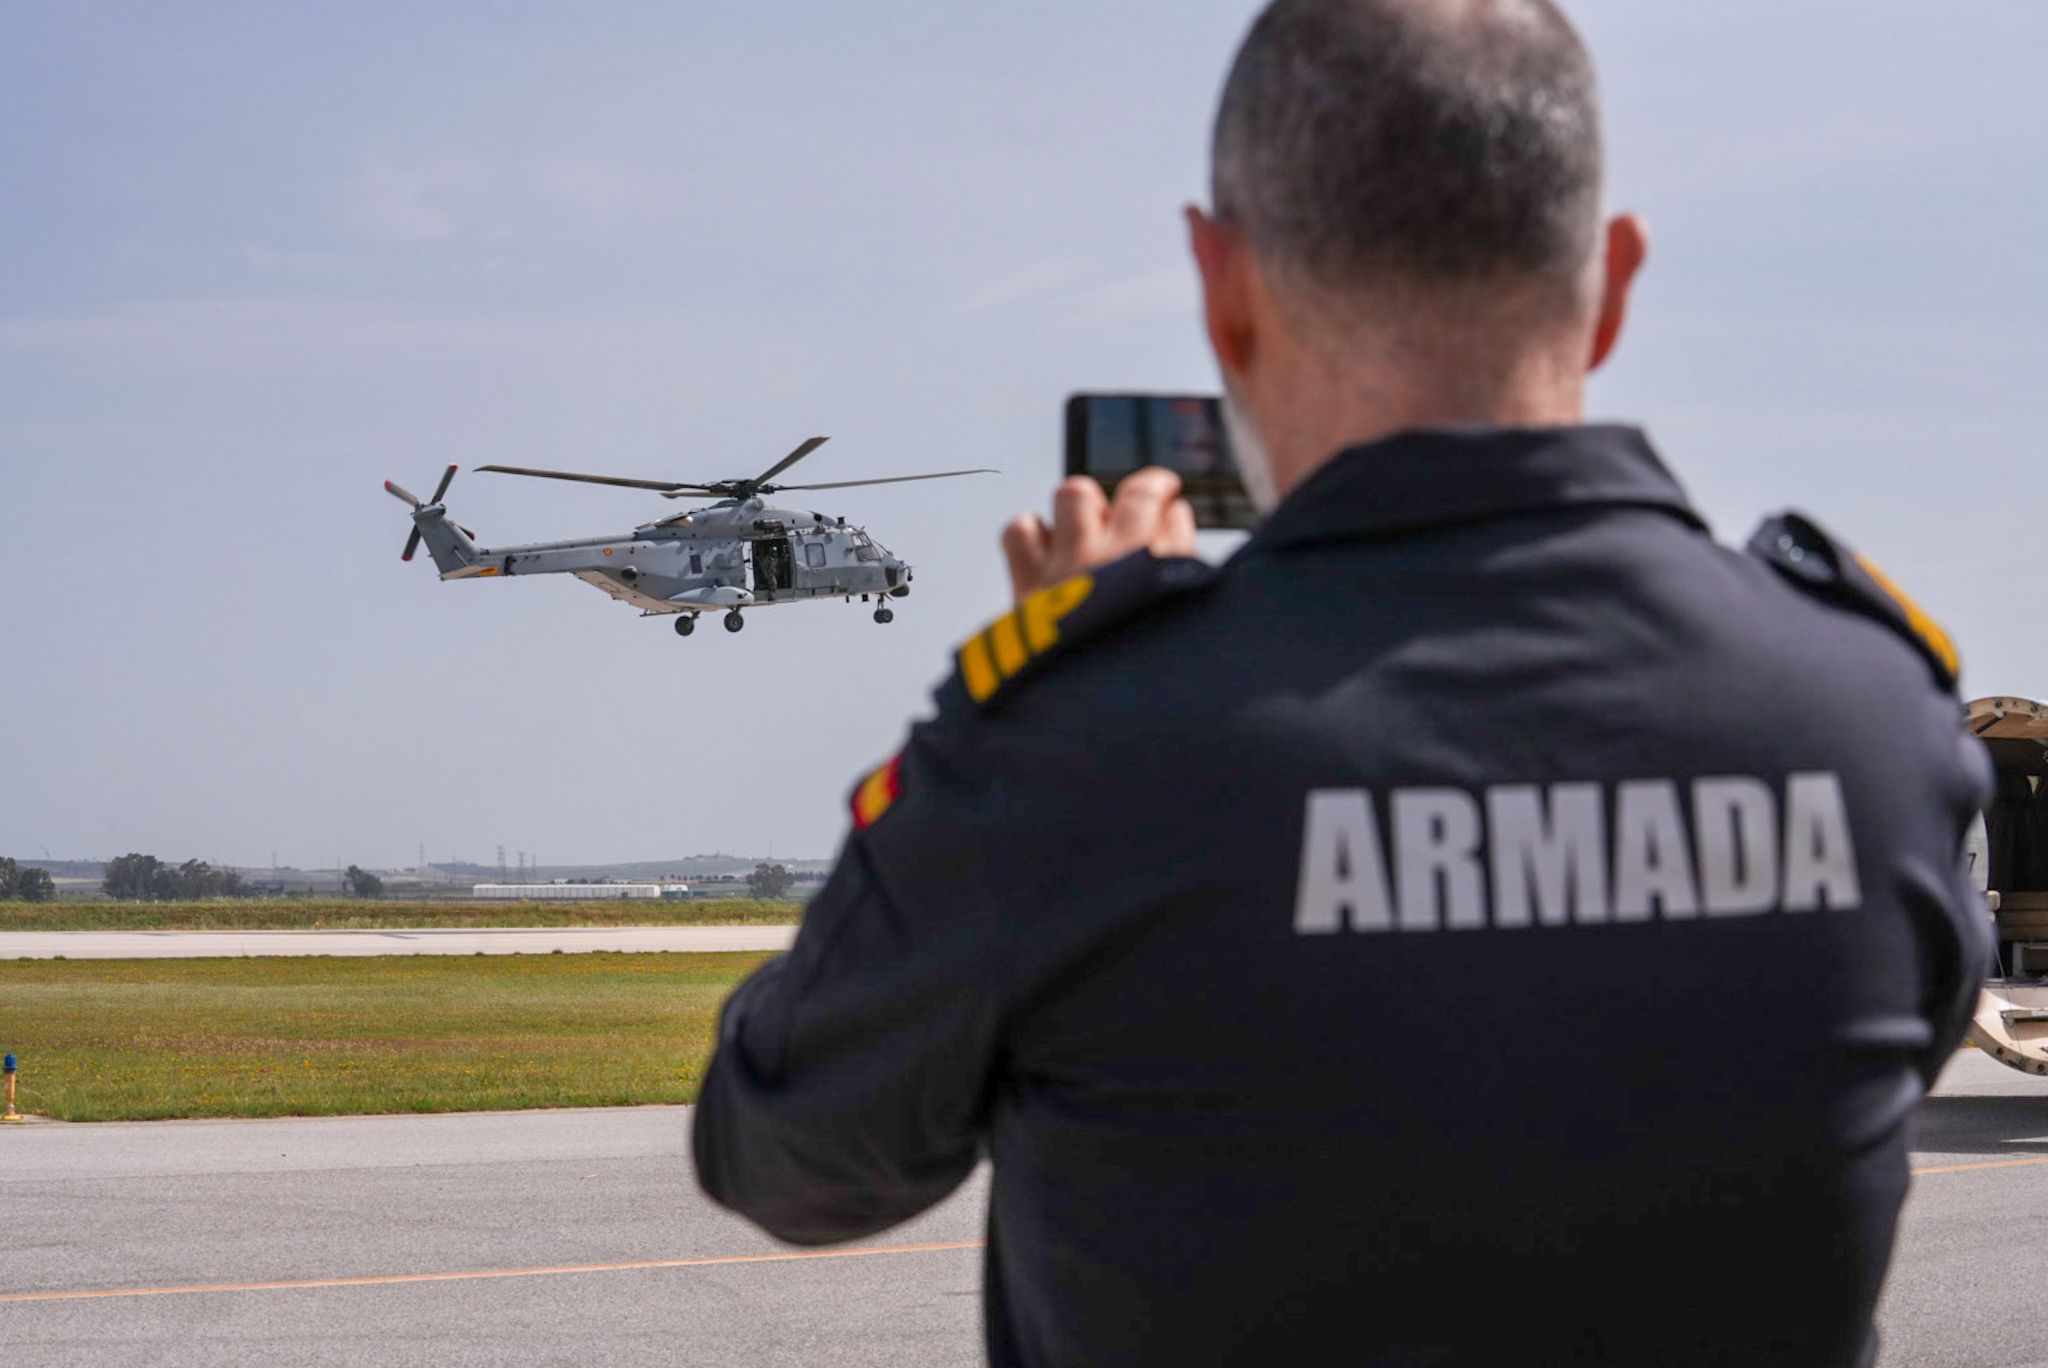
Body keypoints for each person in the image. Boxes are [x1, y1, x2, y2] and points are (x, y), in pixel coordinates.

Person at [693, 2, 1989, 1364]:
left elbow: (783, 1149)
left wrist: (1034, 705)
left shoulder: (1078, 746)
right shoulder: (1874, 719)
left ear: (1223, 287)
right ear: (1612, 279)